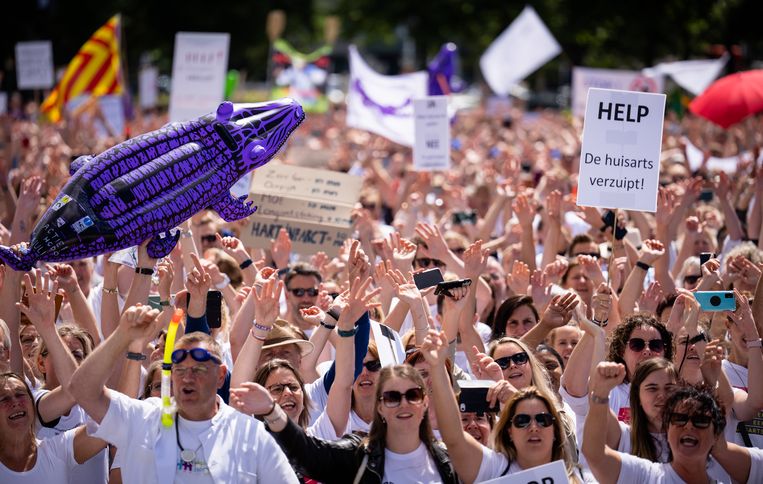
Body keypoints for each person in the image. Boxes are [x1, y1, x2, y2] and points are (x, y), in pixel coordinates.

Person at [67, 304, 298, 483]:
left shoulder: (250, 433)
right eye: (180, 370)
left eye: (198, 369)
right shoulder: (142, 416)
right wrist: (122, 336)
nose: (188, 378)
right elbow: (82, 389)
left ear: (220, 376)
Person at [231, 364, 458, 483]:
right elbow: (308, 453)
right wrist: (272, 411)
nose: (403, 404)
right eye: (392, 397)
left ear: (425, 402)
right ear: (379, 406)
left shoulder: (447, 461)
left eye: (413, 395)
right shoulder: (361, 454)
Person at [423, 329, 583, 482]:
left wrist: (513, 398)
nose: (534, 427)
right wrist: (438, 369)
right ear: (509, 431)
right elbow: (454, 436)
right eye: (522, 420)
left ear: (555, 431)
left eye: (543, 420)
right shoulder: (495, 467)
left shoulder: (574, 476)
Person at [583, 362, 732, 483]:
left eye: (669, 388)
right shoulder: (644, 471)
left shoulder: (702, 440)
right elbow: (594, 452)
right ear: (637, 397)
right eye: (652, 389)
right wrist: (601, 391)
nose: (662, 395)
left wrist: (712, 382)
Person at [0, 372, 107, 483]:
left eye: (20, 394)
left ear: (32, 404)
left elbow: (110, 420)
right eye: (4, 399)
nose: (15, 402)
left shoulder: (57, 451)